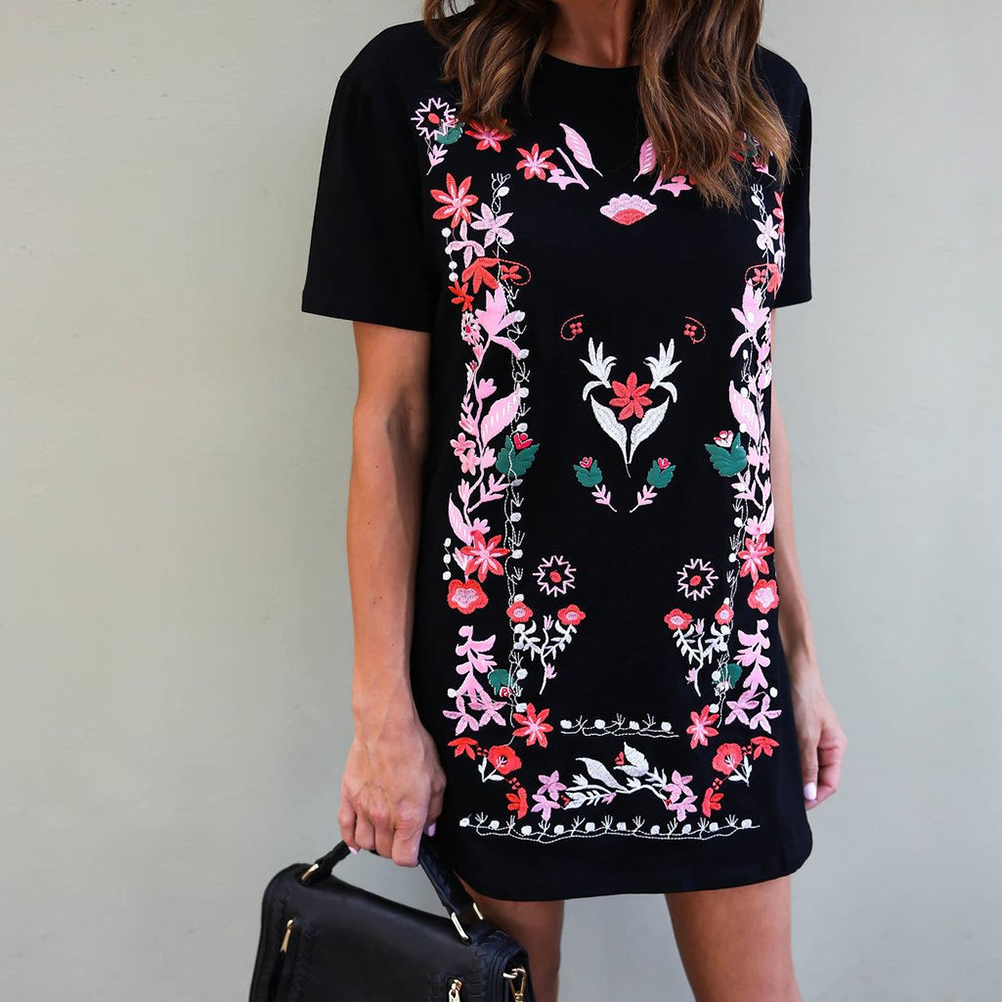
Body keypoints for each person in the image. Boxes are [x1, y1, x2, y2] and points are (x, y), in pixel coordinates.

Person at [301, 1, 847, 999]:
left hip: (721, 677)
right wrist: (380, 711)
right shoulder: (416, 89)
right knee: (505, 986)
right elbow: (392, 423)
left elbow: (751, 398)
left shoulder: (760, 99)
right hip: (503, 674)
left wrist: (800, 659)